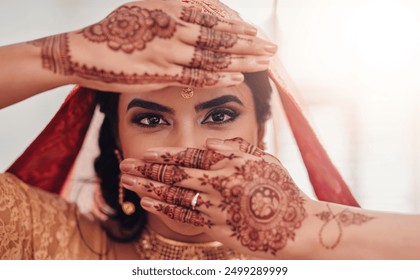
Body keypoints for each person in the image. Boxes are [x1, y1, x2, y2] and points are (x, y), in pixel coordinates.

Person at [1, 0, 419, 260]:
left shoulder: (324, 252)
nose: (187, 147)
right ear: (116, 141)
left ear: (261, 133)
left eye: (219, 116)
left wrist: (309, 230)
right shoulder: (42, 241)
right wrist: (67, 54)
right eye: (150, 119)